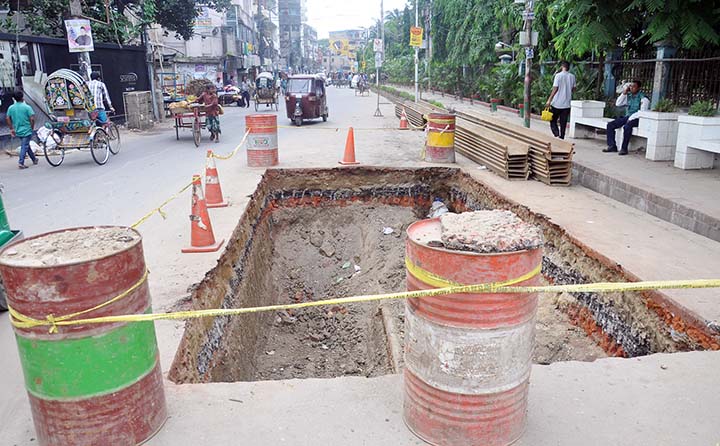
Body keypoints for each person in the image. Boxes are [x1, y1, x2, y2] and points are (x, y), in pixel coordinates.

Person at [605, 80, 650, 155]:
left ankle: (624, 148)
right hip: (628, 117)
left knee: (627, 127)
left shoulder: (644, 98)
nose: (632, 88)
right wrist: (624, 93)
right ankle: (612, 146)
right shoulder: (629, 96)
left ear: (639, 88)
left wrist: (630, 118)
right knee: (610, 125)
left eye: (634, 86)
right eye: (631, 86)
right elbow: (618, 104)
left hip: (638, 118)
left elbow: (642, 112)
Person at [6, 91, 37, 169]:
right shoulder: (27, 107)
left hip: (17, 130)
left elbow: (7, 118)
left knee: (26, 145)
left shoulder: (11, 108)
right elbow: (32, 119)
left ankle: (34, 159)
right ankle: (21, 162)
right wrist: (32, 127)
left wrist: (11, 128)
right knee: (24, 146)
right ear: (22, 97)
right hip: (27, 130)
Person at [545, 61, 575, 139]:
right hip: (567, 104)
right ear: (568, 67)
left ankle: (556, 133)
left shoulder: (558, 76)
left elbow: (555, 88)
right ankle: (562, 136)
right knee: (563, 122)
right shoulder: (572, 76)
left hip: (556, 103)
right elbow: (574, 88)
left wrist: (549, 100)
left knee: (553, 119)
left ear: (562, 66)